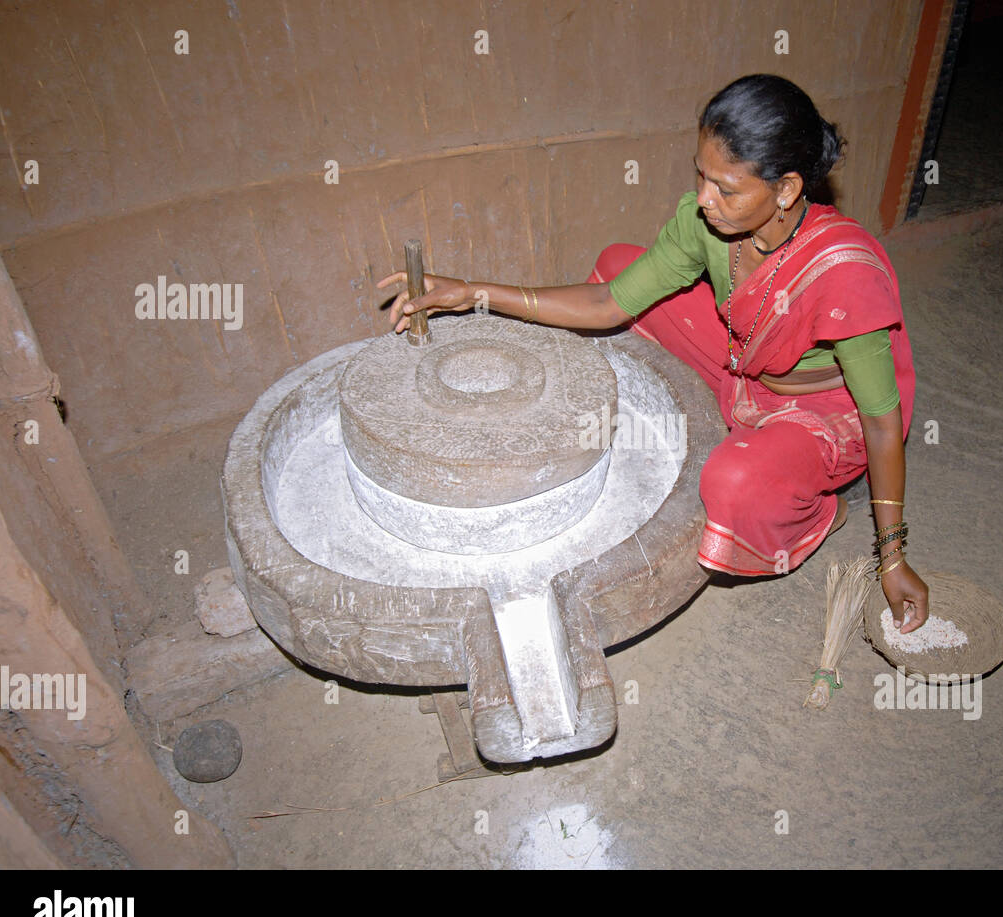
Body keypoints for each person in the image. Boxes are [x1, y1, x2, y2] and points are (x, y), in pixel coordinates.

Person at [379, 74, 929, 634]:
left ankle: (819, 511)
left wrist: (893, 556)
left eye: (727, 189)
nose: (705, 201)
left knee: (734, 484)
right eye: (702, 176)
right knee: (619, 264)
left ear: (786, 190)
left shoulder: (843, 275)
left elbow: (883, 425)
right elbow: (606, 302)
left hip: (827, 413)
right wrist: (472, 292)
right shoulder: (711, 226)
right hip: (746, 363)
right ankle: (746, 426)